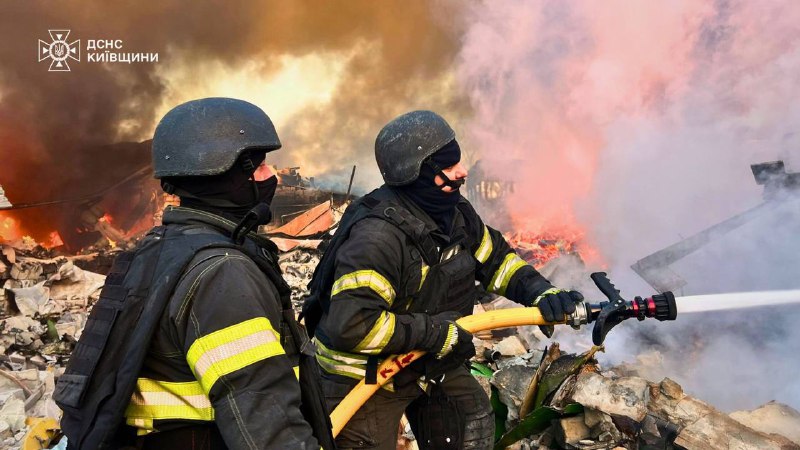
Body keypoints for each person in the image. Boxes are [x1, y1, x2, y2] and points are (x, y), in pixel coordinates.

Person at [55, 98, 328, 449]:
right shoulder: (221, 273)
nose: (271, 176)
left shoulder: (157, 250)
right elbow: (265, 421)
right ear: (229, 174)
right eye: (259, 165)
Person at [306, 110, 584, 450]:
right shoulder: (377, 238)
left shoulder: (453, 213)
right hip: (363, 376)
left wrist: (542, 292)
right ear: (417, 173)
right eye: (449, 165)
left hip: (427, 359)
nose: (462, 171)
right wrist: (437, 332)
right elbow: (353, 325)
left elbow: (497, 261)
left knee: (472, 421)